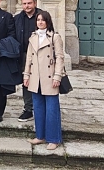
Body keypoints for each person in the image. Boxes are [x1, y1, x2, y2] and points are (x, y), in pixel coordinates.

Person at [23, 11, 64, 151]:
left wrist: (57, 76)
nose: (40, 22)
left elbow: (60, 57)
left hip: (49, 76)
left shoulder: (55, 37)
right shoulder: (33, 37)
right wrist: (26, 74)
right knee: (38, 108)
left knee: (52, 109)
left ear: (48, 21)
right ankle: (40, 136)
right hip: (35, 76)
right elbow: (29, 57)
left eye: (43, 20)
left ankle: (54, 138)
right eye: (38, 20)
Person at [14, 0, 42, 122]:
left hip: (40, 55)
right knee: (27, 81)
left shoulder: (42, 16)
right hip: (24, 54)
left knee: (41, 81)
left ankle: (41, 108)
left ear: (34, 3)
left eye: (29, 3)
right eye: (24, 3)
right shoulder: (18, 18)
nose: (27, 6)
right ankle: (28, 109)